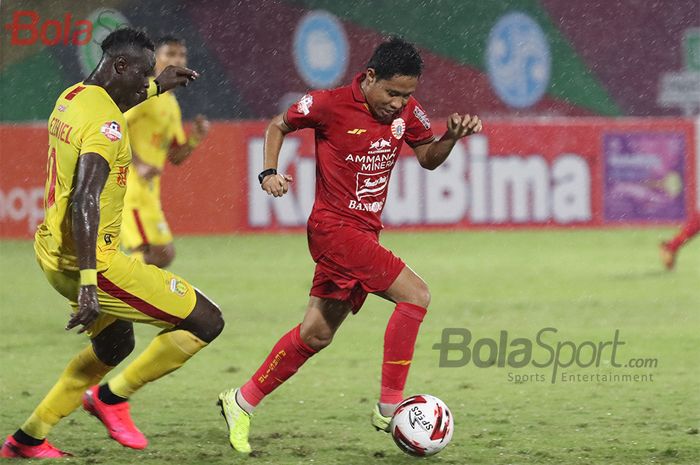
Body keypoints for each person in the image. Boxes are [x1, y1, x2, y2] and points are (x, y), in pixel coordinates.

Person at [216, 37, 482, 454]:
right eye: (392, 93)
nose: (398, 103)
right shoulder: (327, 104)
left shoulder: (408, 112)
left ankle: (242, 401)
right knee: (416, 295)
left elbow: (428, 157)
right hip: (334, 230)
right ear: (370, 77)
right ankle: (389, 406)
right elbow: (277, 124)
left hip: (363, 232)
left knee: (316, 334)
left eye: (407, 95)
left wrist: (450, 135)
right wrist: (269, 170)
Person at [1, 28, 224, 459]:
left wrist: (159, 86)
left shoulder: (73, 96)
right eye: (143, 74)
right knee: (207, 321)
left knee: (115, 344)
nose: (146, 83)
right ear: (120, 66)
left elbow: (115, 102)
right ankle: (111, 398)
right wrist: (89, 283)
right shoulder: (106, 127)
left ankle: (28, 439)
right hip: (92, 263)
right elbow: (85, 199)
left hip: (50, 249)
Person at [121, 35, 210, 268]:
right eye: (170, 54)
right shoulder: (144, 93)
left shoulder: (169, 102)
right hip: (128, 188)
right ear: (154, 59)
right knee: (148, 253)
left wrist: (194, 139)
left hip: (148, 192)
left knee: (162, 255)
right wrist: (138, 162)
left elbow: (175, 156)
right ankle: (103, 293)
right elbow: (114, 127)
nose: (177, 59)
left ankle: (113, 294)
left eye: (181, 54)